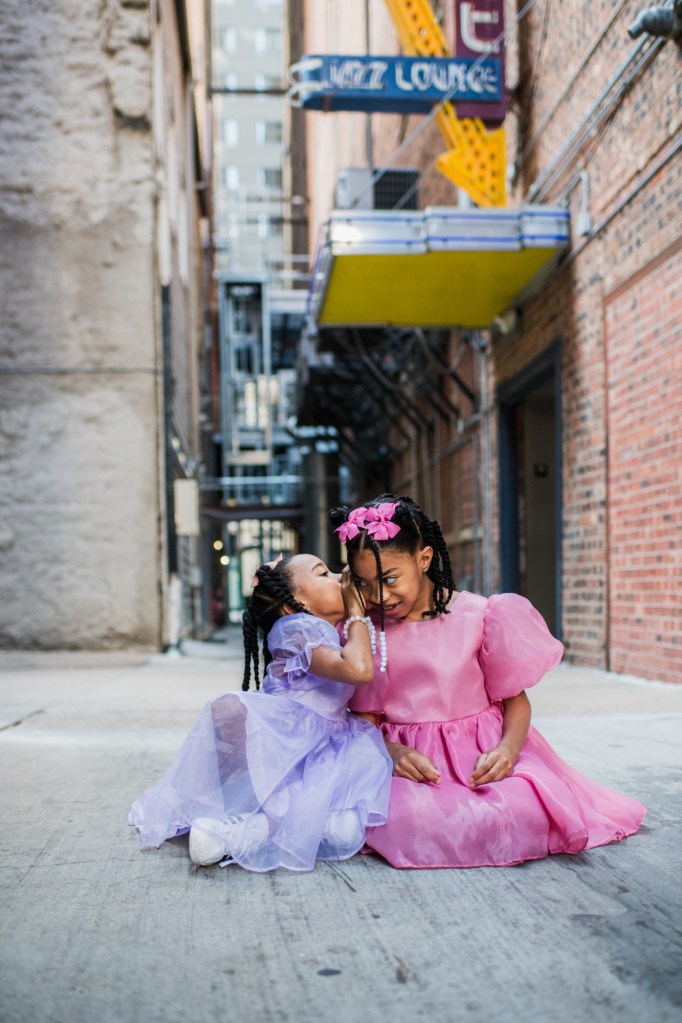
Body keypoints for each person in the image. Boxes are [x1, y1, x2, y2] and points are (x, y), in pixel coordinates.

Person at [329, 494, 646, 869]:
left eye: (389, 579)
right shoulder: (365, 631)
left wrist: (508, 752)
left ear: (424, 559)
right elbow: (363, 719)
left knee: (522, 807)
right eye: (363, 584)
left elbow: (515, 701)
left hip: (483, 753)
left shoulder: (479, 615)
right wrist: (392, 753)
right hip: (411, 764)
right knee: (403, 818)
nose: (378, 595)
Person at [128, 554, 392, 872]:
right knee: (230, 711)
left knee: (347, 829)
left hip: (325, 747)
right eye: (324, 574)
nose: (339, 578)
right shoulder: (297, 629)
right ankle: (240, 828)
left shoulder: (335, 630)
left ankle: (267, 828)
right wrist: (357, 611)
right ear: (295, 605)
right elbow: (358, 670)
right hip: (284, 744)